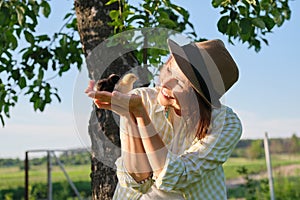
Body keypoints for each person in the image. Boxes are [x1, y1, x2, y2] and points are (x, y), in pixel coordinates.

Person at [85, 39, 242, 199]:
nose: (165, 83)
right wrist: (129, 114)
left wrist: (141, 116)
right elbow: (137, 179)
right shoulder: (142, 99)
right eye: (168, 70)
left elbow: (176, 177)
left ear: (200, 97)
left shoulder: (225, 123)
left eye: (179, 83)